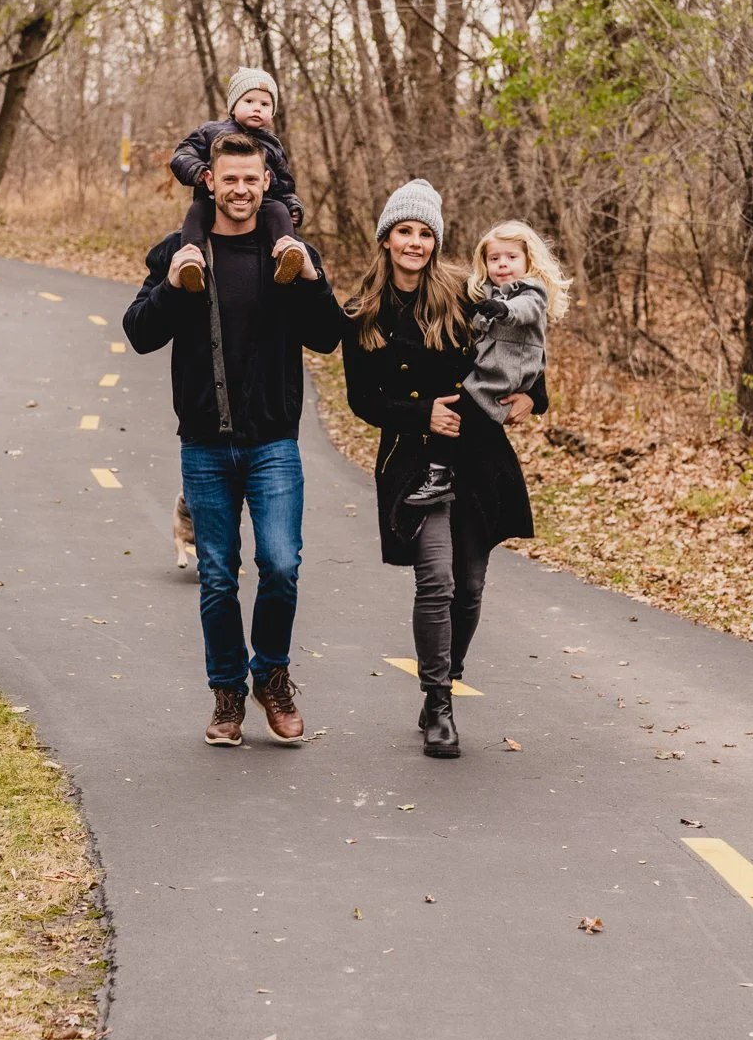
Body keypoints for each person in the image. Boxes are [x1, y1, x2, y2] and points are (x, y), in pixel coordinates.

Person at [124, 130, 345, 748]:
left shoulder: (290, 252)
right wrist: (170, 285)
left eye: (252, 179)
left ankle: (270, 672)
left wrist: (307, 279)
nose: (242, 189)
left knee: (280, 565)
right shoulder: (180, 250)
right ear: (211, 182)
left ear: (265, 182)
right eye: (231, 179)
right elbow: (139, 334)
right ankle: (227, 693)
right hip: (205, 444)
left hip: (274, 442)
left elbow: (329, 337)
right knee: (219, 576)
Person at [341, 180, 545, 761]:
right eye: (405, 231)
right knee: (437, 581)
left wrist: (537, 396)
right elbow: (361, 400)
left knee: (471, 588)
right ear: (386, 239)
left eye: (425, 233)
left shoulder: (465, 292)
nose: (415, 243)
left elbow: (520, 336)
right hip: (411, 460)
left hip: (478, 453)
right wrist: (421, 413)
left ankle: (446, 679)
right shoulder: (361, 312)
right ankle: (439, 704)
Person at [400, 219, 572, 512]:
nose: (502, 265)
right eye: (494, 259)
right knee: (463, 417)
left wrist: (503, 309)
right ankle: (445, 473)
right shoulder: (488, 291)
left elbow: (525, 308)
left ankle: (440, 476)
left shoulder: (530, 291)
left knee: (455, 412)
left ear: (529, 260)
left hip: (504, 374)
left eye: (511, 257)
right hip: (492, 370)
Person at [169, 68, 304, 293]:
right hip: (213, 198)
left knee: (280, 211)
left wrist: (292, 204)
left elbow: (284, 182)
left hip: (262, 202)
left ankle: (287, 256)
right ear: (233, 105)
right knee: (196, 214)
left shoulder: (273, 144)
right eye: (249, 101)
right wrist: (199, 172)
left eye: (265, 104)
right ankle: (190, 262)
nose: (257, 108)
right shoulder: (212, 132)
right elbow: (181, 156)